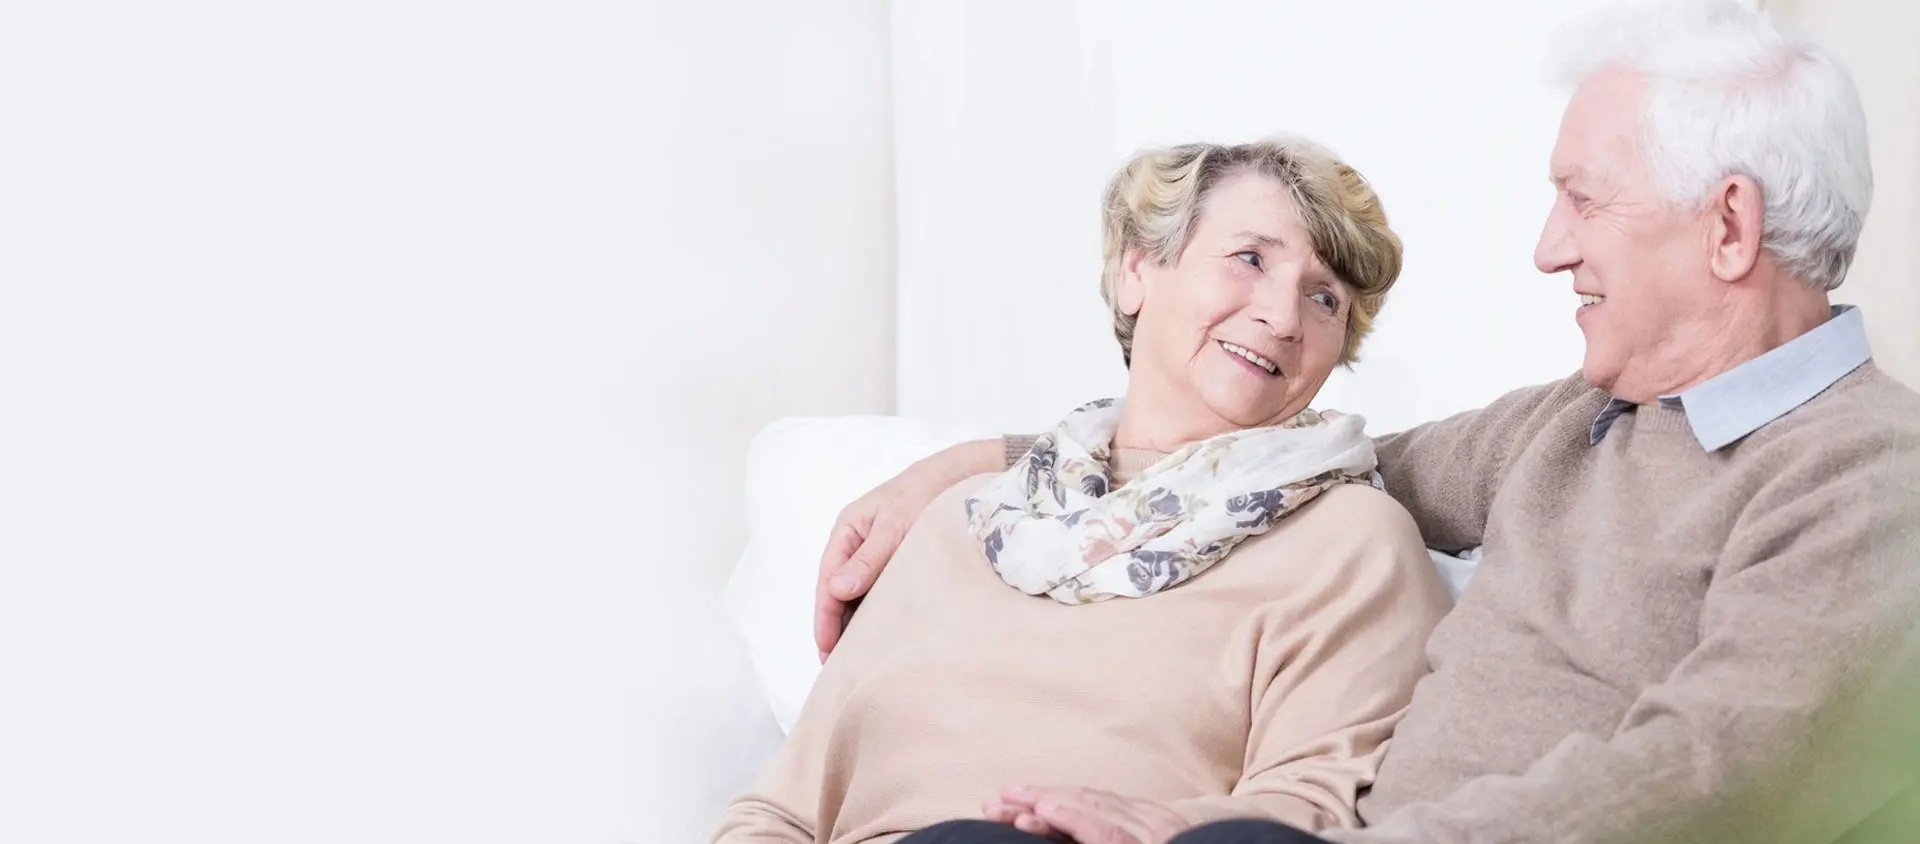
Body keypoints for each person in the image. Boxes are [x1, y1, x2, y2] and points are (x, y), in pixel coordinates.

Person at [811, 3, 1920, 843]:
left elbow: (1720, 775)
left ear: (1729, 226)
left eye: (1584, 198)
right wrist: (993, 463)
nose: (1550, 247)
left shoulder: (1870, 480)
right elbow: (1283, 464)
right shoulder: (1578, 425)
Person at [711, 137, 1454, 843]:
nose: (1282, 315)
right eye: (1250, 259)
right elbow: (779, 810)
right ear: (1138, 271)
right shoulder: (961, 520)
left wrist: (1139, 825)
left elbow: (1310, 807)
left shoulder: (1348, 542)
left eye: (1325, 298)